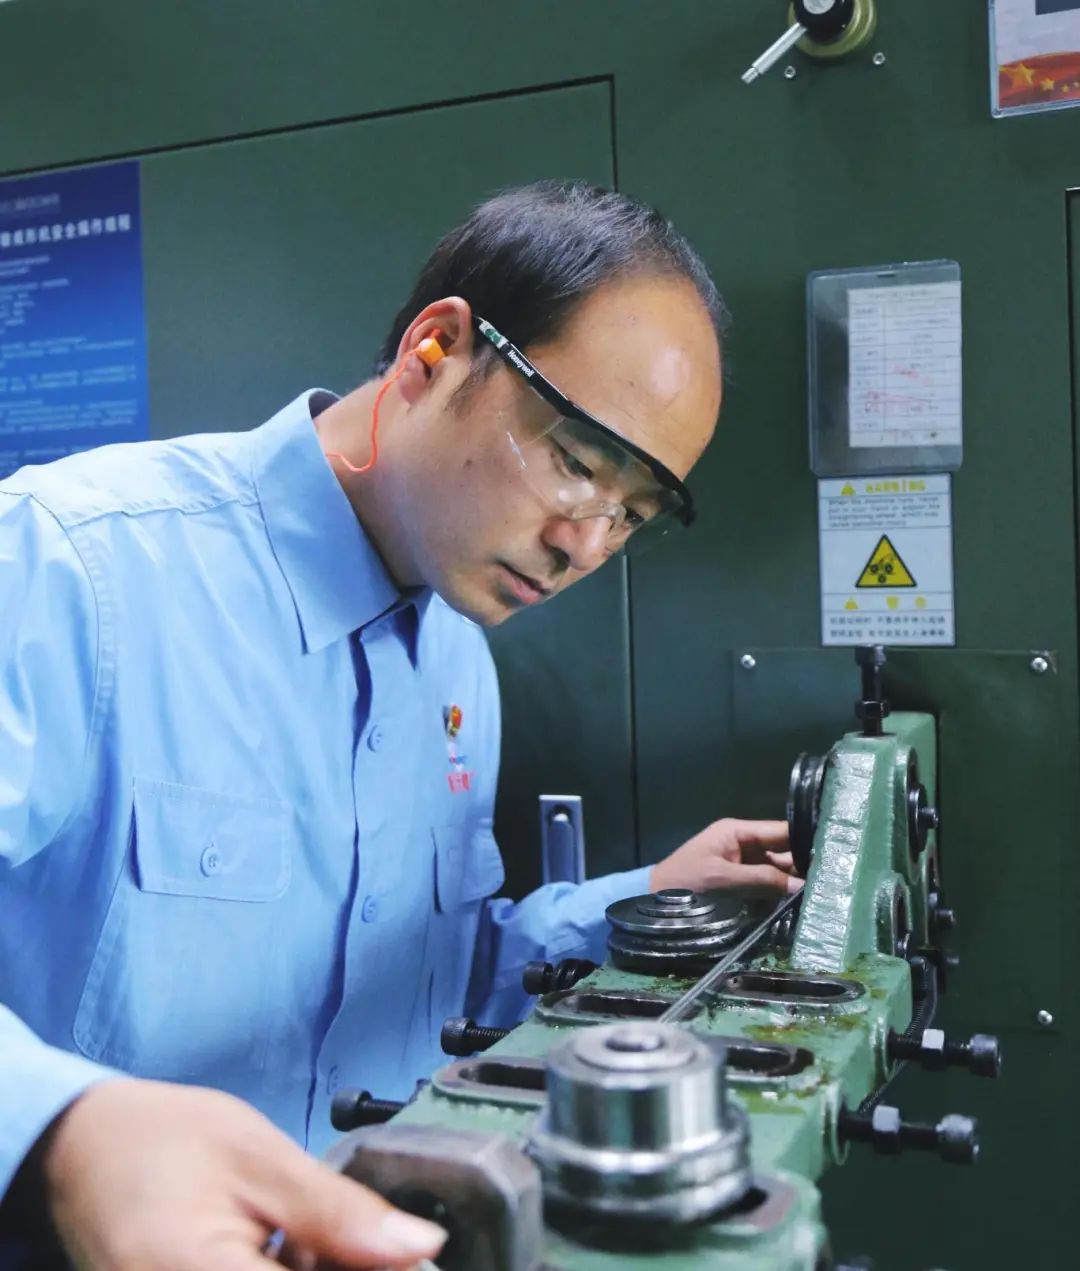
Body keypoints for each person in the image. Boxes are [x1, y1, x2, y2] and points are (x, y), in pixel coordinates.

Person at [0, 181, 798, 1269]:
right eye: (576, 463)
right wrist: (59, 1127)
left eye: (631, 515)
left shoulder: (457, 652)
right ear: (437, 351)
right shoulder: (69, 565)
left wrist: (639, 901)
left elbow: (429, 976)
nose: (585, 545)